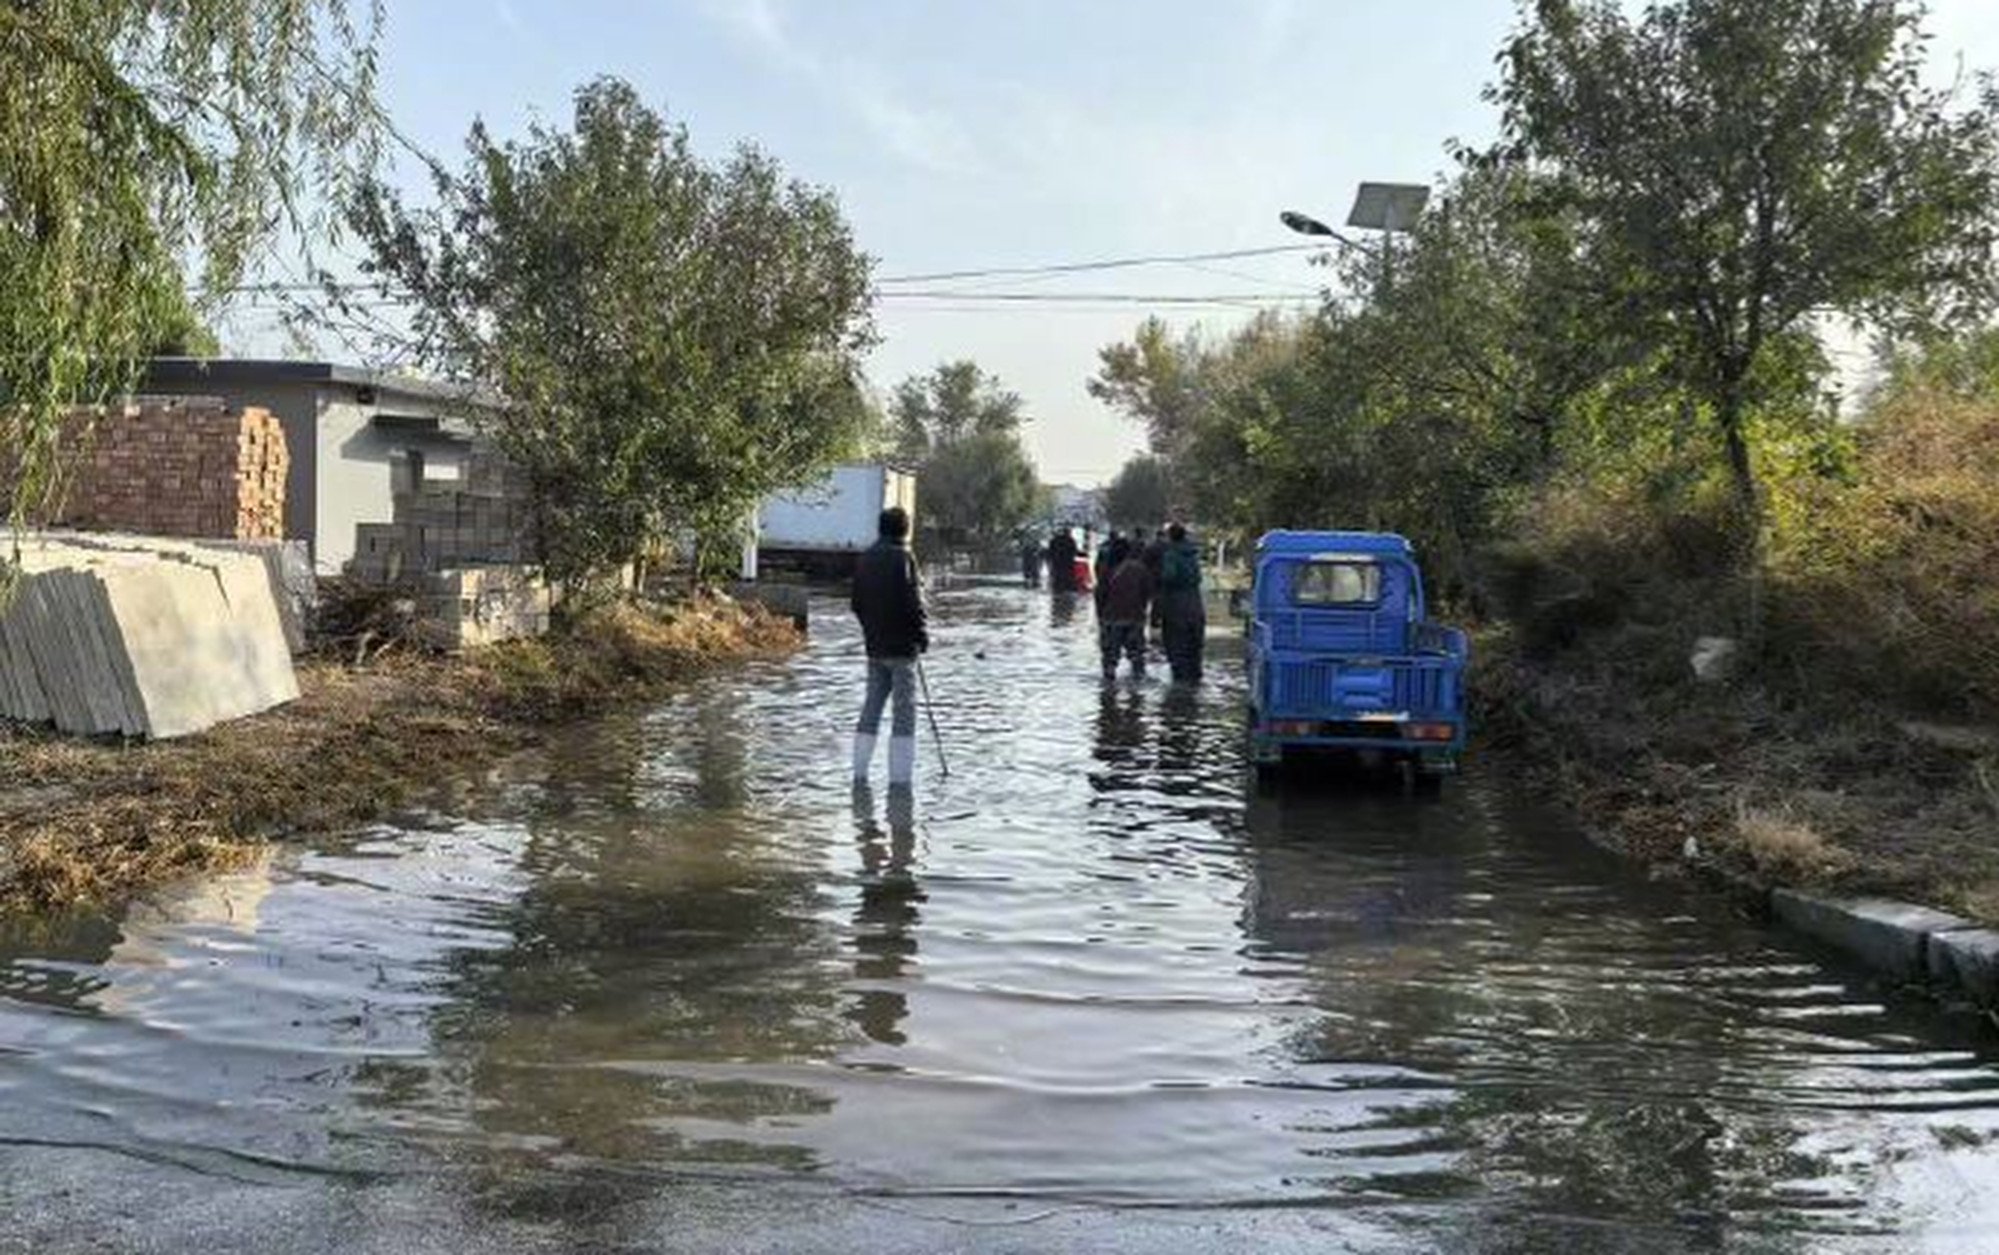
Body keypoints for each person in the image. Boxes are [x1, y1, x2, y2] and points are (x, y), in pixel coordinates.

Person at [850, 506, 928, 786]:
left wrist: (872, 630)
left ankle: (859, 773)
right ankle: (900, 781)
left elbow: (856, 604)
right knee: (904, 712)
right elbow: (914, 603)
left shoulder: (865, 558)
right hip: (903, 649)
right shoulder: (904, 557)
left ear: (880, 528)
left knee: (871, 706)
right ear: (904, 530)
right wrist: (921, 636)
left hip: (875, 647)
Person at [1157, 522, 1206, 683]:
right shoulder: (1193, 554)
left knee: (1176, 645)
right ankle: (1195, 680)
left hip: (1176, 606)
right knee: (1194, 646)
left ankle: (1179, 686)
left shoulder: (1171, 554)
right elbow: (1198, 578)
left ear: (1170, 536)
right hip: (1195, 604)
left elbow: (1168, 577)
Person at [1098, 542, 1154, 680]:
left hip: (1111, 618)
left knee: (1110, 658)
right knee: (1136, 656)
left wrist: (1101, 616)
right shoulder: (1140, 569)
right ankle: (1137, 695)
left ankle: (1108, 692)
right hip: (1135, 618)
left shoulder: (1107, 570)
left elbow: (1100, 595)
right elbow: (1148, 593)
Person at [1047, 527, 1079, 593]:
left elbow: (1050, 552)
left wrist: (1051, 560)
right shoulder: (1070, 540)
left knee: (1058, 577)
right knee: (1067, 576)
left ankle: (1058, 589)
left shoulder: (1054, 540)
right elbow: (1074, 551)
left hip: (1057, 563)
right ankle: (1065, 588)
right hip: (1067, 563)